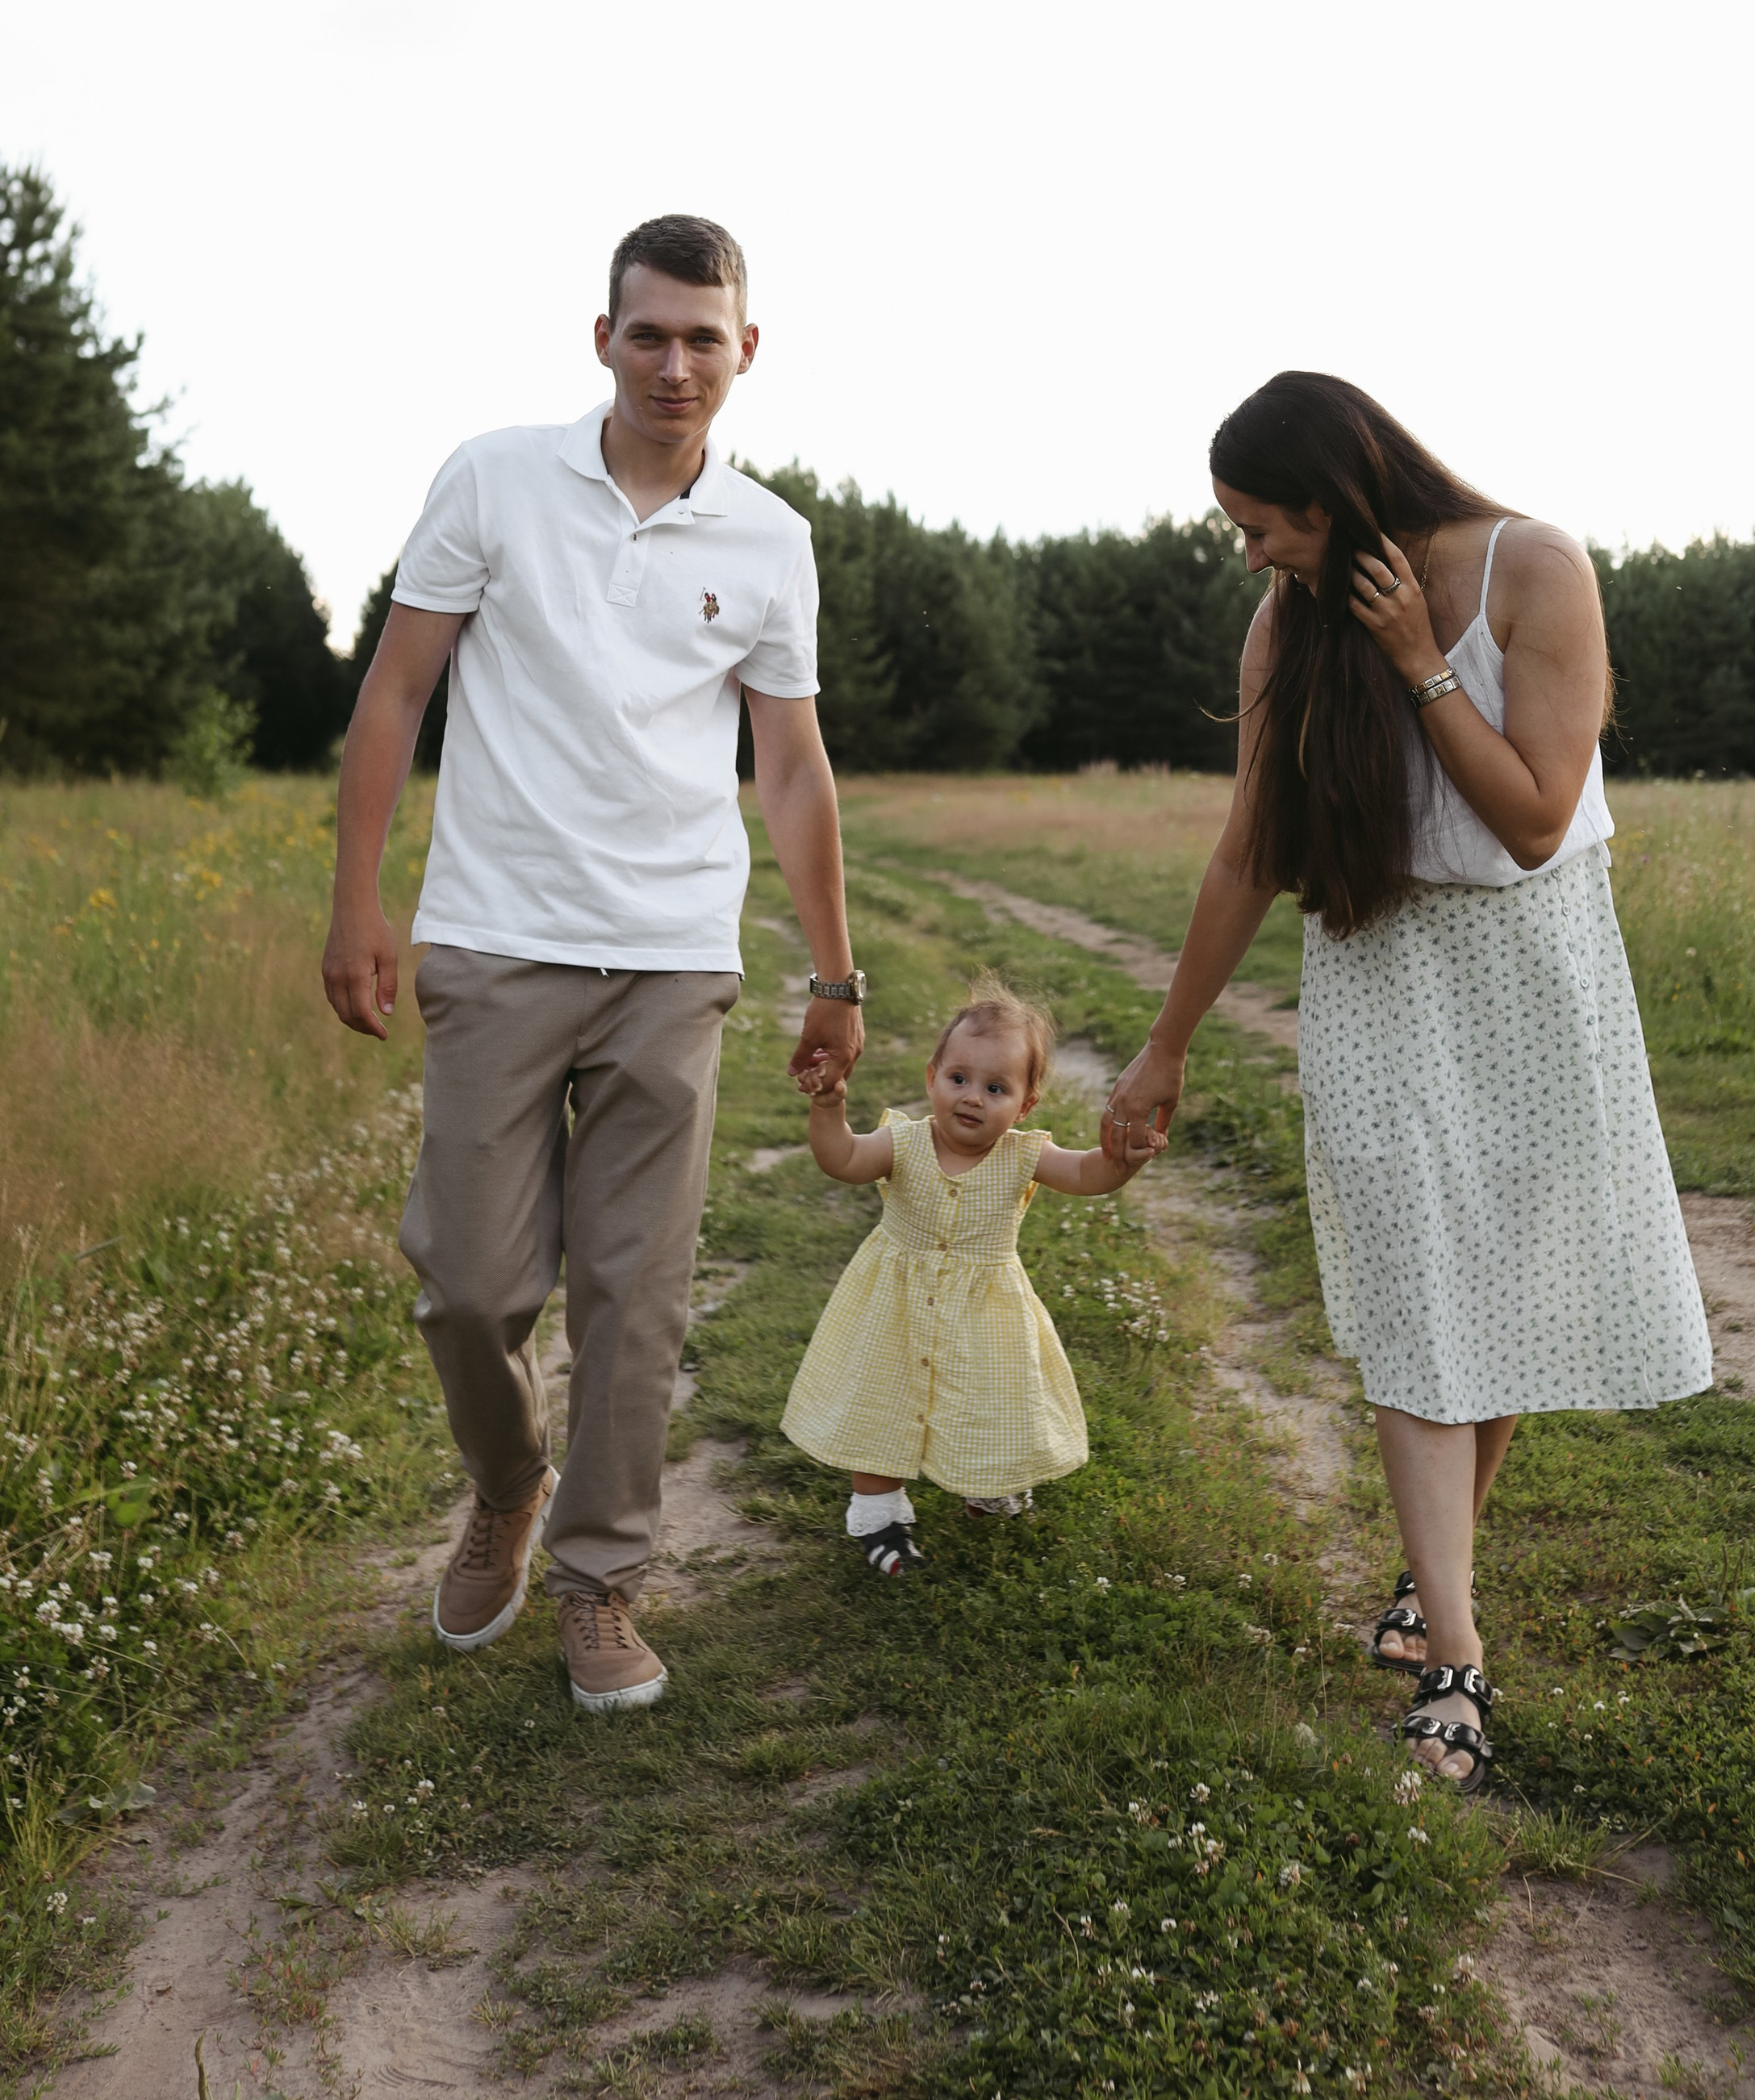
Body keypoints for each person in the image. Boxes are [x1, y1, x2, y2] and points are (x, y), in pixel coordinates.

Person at [1102, 372, 1711, 1795]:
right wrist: (1166, 1043)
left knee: (1496, 1290)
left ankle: (1428, 1594)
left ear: (1333, 498)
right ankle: (1454, 1657)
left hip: (1537, 965)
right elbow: (1250, 846)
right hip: (1381, 974)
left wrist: (1420, 658)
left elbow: (1534, 817)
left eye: (1261, 527)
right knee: (1417, 1294)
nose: (1249, 555)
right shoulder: (1284, 626)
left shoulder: (1535, 569)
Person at [321, 214, 867, 1713]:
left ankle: (602, 1579)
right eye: (650, 333)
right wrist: (359, 899)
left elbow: (795, 767)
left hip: (673, 956)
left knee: (639, 1294)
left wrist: (833, 975)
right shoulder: (495, 478)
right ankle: (508, 1486)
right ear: (603, 339)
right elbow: (398, 685)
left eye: (705, 337)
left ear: (746, 350)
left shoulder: (771, 541)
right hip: (495, 940)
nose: (676, 362)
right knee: (469, 1286)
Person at [781, 977, 1162, 1576]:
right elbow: (844, 1160)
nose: (973, 1098)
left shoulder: (1024, 1154)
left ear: (1025, 1103)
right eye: (959, 1079)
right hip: (894, 1306)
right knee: (883, 1399)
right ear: (932, 1077)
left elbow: (1088, 1175)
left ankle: (987, 1480)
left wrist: (1122, 1159)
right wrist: (828, 1107)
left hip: (987, 1312)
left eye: (996, 1087)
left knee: (990, 1399)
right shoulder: (903, 1143)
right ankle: (878, 1514)